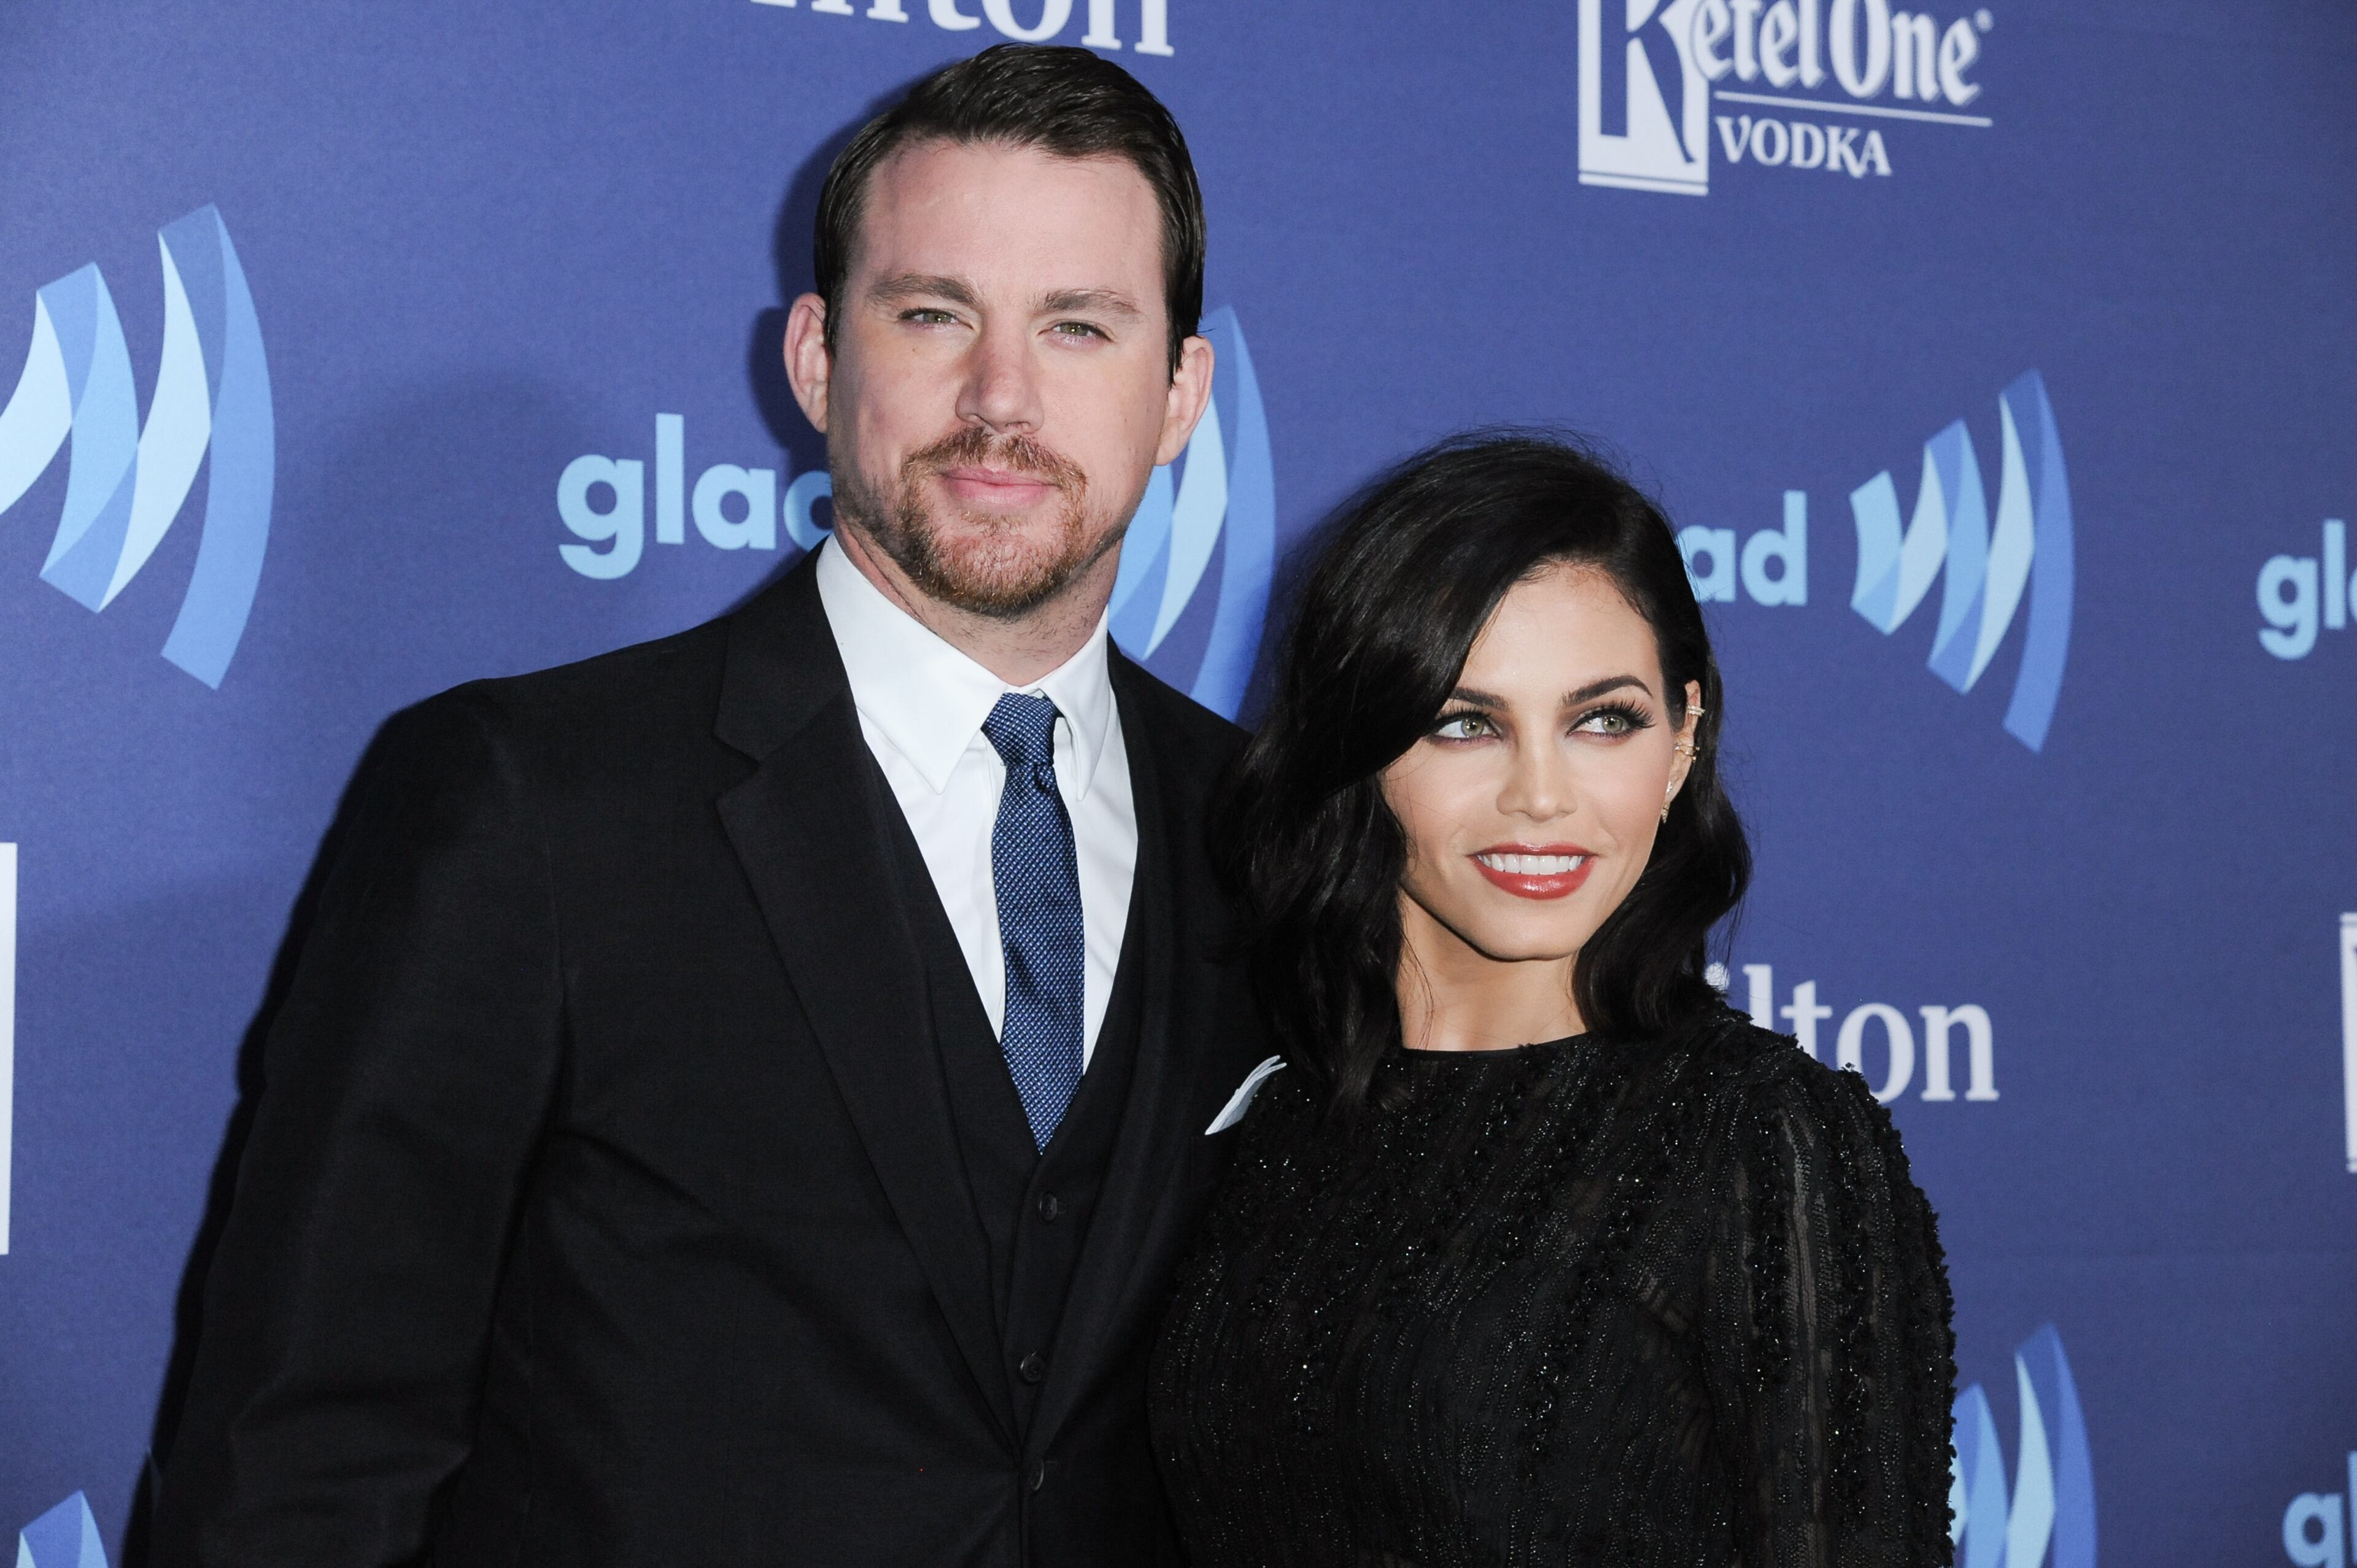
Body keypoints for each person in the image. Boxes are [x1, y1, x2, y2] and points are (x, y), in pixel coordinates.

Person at [156, 45, 1269, 1567]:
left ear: (1180, 393)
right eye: (933, 314)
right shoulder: (528, 803)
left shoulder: (1272, 835)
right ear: (819, 358)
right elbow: (303, 1454)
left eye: (1080, 328)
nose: (1001, 399)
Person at [1151, 434, 1957, 1567]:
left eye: (1604, 719)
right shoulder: (1277, 1122)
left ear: (1682, 744)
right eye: (1465, 722)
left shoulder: (1760, 1140)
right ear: (1363, 750)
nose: (1540, 795)